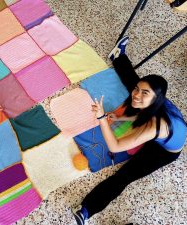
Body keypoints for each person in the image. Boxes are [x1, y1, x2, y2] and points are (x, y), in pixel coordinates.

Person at [73, 36, 187, 224]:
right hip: (167, 128)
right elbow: (143, 112)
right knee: (136, 85)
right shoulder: (158, 103)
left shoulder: (155, 126)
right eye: (137, 90)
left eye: (144, 93)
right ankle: (118, 57)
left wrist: (102, 118)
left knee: (124, 176)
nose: (136, 95)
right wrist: (120, 117)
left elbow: (115, 146)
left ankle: (86, 211)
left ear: (156, 98)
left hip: (164, 152)